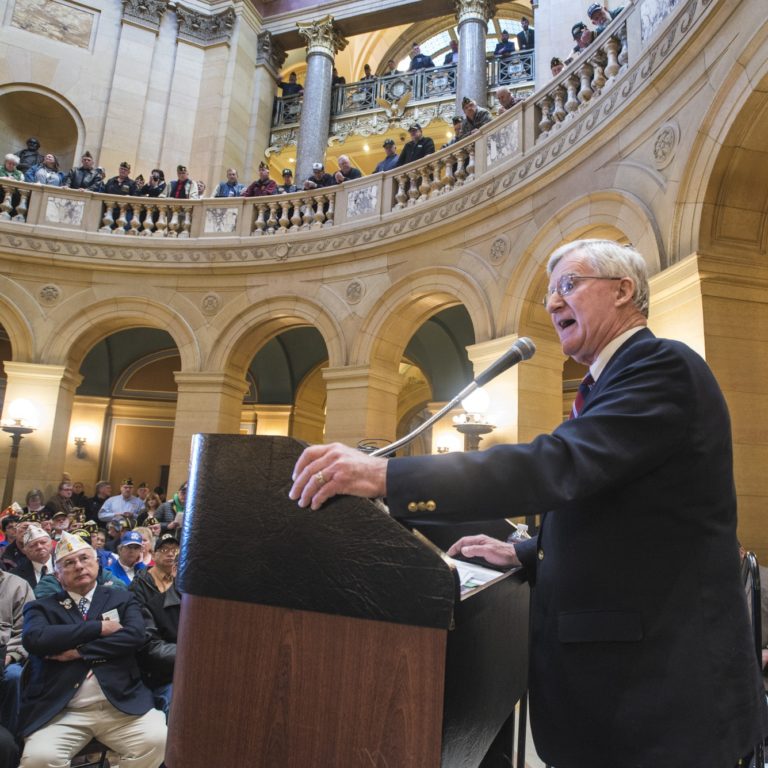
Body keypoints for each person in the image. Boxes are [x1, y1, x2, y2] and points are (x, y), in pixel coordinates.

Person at [288, 239, 768, 768]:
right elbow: (625, 509)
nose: (553, 303)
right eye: (548, 293)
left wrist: (386, 474)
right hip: (624, 695)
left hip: (658, 695)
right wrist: (527, 552)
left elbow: (558, 467)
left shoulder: (661, 366)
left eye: (569, 284)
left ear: (623, 291)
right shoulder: (610, 383)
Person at [18, 532, 166, 768]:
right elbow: (35, 639)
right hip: (62, 710)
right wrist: (98, 627)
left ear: (97, 562)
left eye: (85, 559)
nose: (79, 566)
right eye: (69, 563)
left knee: (158, 740)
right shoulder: (42, 607)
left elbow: (135, 635)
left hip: (121, 704)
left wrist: (79, 651)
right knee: (39, 759)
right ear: (58, 574)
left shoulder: (121, 598)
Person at [130, 533, 180, 719]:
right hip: (168, 677)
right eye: (165, 550)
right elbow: (149, 647)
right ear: (176, 570)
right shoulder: (151, 604)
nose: (169, 554)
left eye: (174, 550)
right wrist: (193, 654)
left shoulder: (210, 606)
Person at [11, 525, 53, 589]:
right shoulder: (15, 575)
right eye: (33, 545)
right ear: (24, 551)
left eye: (43, 542)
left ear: (51, 543)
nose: (39, 547)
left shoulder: (65, 565)